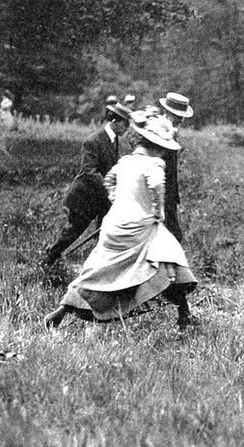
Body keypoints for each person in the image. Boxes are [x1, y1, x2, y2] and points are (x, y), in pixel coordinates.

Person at [44, 112, 199, 329]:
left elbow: (109, 179)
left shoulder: (125, 161)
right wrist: (158, 212)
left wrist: (116, 199)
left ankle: (63, 309)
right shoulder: (154, 164)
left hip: (113, 226)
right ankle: (184, 316)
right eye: (163, 147)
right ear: (156, 146)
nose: (164, 152)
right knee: (169, 260)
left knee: (97, 269)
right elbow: (156, 186)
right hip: (140, 227)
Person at [43, 102, 133, 266]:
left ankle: (98, 268)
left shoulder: (115, 141)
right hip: (84, 198)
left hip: (101, 199)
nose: (127, 128)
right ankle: (48, 261)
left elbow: (111, 169)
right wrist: (110, 190)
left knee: (105, 233)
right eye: (125, 124)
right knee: (71, 234)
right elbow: (89, 171)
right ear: (114, 121)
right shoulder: (93, 141)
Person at [159, 92, 194, 242]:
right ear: (168, 112)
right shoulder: (158, 131)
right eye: (178, 116)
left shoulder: (171, 131)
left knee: (172, 236)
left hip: (169, 195)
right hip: (160, 193)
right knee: (173, 237)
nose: (181, 120)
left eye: (182, 116)